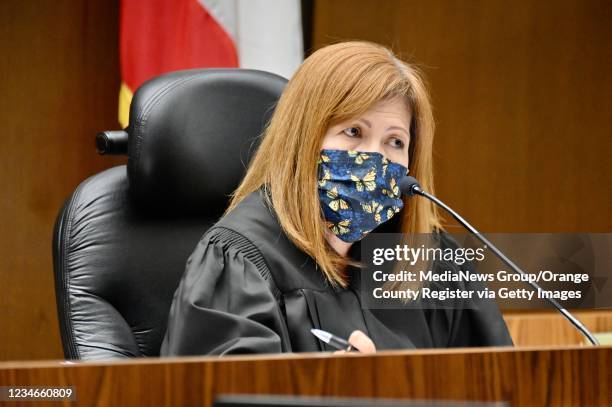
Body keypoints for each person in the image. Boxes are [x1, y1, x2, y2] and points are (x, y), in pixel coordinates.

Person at [160, 41, 513, 356]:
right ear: (305, 139)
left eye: (395, 142)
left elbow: (498, 383)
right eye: (354, 131)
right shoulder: (239, 261)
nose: (374, 159)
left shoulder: (430, 261)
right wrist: (331, 392)